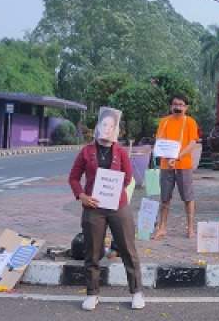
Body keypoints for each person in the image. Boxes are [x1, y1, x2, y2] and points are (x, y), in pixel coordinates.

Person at [69, 108, 144, 311]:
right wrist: (82, 196)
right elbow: (74, 178)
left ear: (116, 128)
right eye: (104, 125)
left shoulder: (120, 151)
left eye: (112, 125)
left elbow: (128, 178)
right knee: (92, 252)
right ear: (98, 127)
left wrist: (113, 189)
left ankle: (136, 292)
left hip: (118, 206)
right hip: (93, 207)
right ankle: (92, 294)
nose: (107, 129)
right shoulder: (86, 151)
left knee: (128, 249)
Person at [152, 94, 200, 239]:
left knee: (188, 197)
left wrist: (177, 157)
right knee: (165, 197)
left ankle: (191, 229)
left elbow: (192, 143)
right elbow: (160, 142)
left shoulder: (190, 122)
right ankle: (162, 228)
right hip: (166, 165)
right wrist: (168, 157)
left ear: (186, 107)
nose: (178, 107)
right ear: (170, 106)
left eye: (181, 105)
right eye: (175, 104)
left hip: (184, 165)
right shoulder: (164, 122)